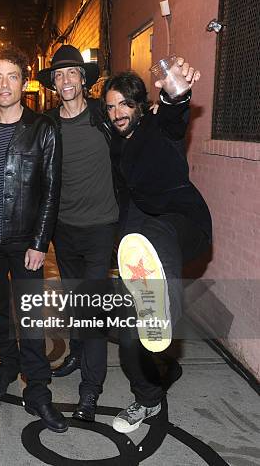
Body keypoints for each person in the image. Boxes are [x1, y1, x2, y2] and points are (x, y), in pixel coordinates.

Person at [104, 60, 211, 433]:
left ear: (139, 106)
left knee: (157, 233)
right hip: (143, 237)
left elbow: (175, 112)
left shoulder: (156, 127)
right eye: (111, 107)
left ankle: (165, 312)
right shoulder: (118, 145)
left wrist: (175, 92)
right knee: (130, 338)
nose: (117, 113)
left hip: (184, 224)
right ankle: (148, 397)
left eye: (124, 105)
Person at [0, 45, 67, 432]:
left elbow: (51, 190)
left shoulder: (42, 128)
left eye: (12, 76)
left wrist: (40, 243)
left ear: (24, 82)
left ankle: (38, 390)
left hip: (25, 241)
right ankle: (7, 366)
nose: (4, 84)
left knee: (31, 317)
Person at [37, 45, 119, 421]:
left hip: (101, 228)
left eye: (72, 73)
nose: (66, 80)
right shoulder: (48, 124)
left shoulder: (105, 116)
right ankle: (75, 355)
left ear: (84, 79)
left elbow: (141, 133)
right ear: (53, 84)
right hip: (64, 230)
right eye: (59, 75)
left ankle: (91, 389)